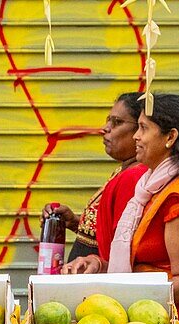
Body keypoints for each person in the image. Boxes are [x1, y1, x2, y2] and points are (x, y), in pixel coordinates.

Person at [62, 93, 179, 309]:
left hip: (171, 323)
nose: (136, 136)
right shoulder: (151, 188)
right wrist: (98, 264)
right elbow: (142, 267)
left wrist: (126, 293)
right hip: (144, 315)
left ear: (170, 137)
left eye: (143, 128)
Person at [42, 93, 147, 262]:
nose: (105, 128)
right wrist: (75, 223)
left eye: (117, 122)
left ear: (141, 130)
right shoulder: (123, 170)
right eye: (108, 120)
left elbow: (120, 244)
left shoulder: (134, 177)